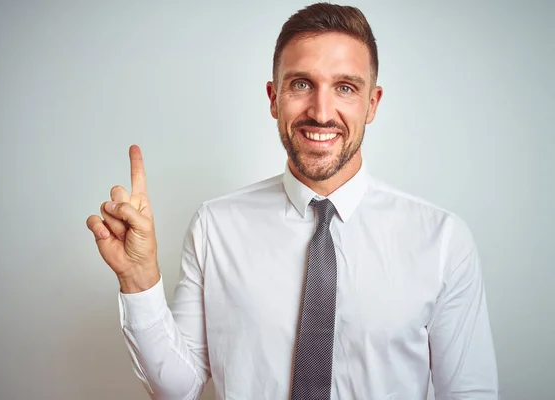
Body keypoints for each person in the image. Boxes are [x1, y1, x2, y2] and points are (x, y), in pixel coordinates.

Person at [86, 3, 499, 399]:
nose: (321, 112)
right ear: (273, 97)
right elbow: (177, 389)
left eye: (345, 87)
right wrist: (138, 278)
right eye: (301, 84)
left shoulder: (443, 241)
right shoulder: (215, 226)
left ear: (371, 104)